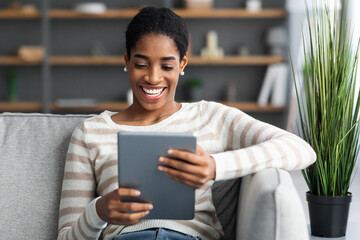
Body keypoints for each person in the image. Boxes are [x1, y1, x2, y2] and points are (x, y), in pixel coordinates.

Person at [57, 7, 316, 240]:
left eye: (166, 66)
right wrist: (99, 211)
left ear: (182, 63)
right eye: (141, 64)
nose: (153, 78)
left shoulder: (210, 117)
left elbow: (300, 149)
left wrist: (215, 166)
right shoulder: (90, 133)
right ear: (127, 61)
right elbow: (66, 237)